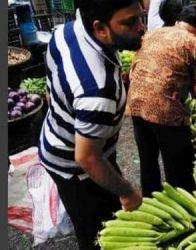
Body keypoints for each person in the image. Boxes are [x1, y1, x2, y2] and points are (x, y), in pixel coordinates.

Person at [38, 0, 145, 249]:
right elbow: (87, 158)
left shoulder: (66, 32)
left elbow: (50, 87)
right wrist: (128, 192)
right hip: (76, 169)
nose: (141, 27)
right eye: (130, 22)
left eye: (140, 17)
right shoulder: (98, 91)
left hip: (56, 136)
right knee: (98, 232)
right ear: (100, 28)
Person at [126, 8, 196, 196]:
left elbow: (135, 68)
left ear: (177, 22)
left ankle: (151, 200)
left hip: (136, 102)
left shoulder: (152, 33)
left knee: (147, 159)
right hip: (165, 108)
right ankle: (181, 205)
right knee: (177, 164)